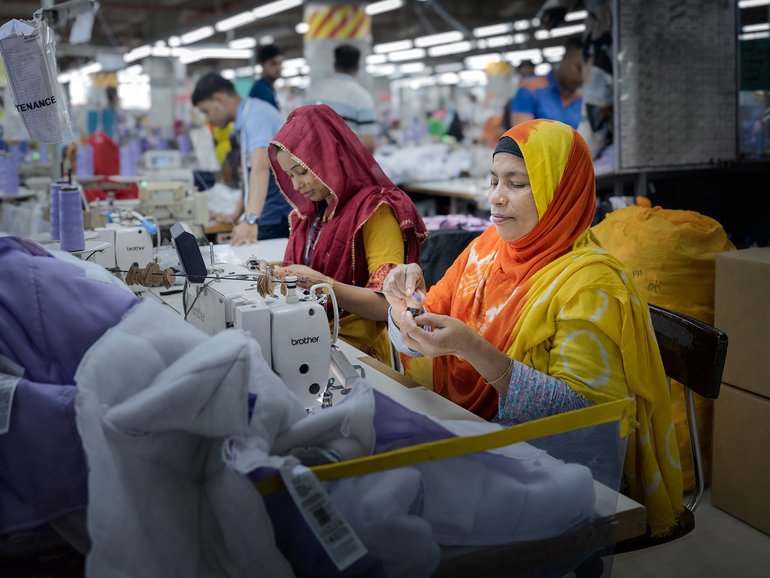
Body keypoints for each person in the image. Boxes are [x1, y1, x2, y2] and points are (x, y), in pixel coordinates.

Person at [382, 119, 683, 538]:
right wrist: (404, 307)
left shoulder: (588, 286)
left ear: (561, 192)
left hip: (559, 468)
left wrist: (474, 350)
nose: (496, 197)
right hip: (480, 433)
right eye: (492, 181)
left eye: (517, 183)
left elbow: (587, 421)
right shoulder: (488, 249)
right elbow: (423, 338)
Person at [267, 104, 427, 363]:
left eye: (303, 171)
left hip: (355, 354)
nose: (297, 185)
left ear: (329, 155)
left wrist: (323, 284)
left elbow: (387, 305)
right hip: (309, 338)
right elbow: (304, 268)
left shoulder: (375, 211)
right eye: (290, 176)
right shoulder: (311, 215)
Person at [192, 72, 291, 245]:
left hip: (276, 214)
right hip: (265, 211)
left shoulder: (256, 115)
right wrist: (236, 214)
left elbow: (261, 167)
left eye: (206, 111)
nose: (208, 119)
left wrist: (251, 220)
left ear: (219, 99)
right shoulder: (245, 118)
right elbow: (249, 173)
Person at [305, 44, 378, 154]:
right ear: (357, 68)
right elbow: (368, 144)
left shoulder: (313, 92)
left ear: (334, 66)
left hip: (312, 162)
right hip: (344, 165)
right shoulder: (362, 97)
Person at [508, 38, 584, 129]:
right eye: (579, 67)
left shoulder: (582, 97)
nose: (582, 76)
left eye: (589, 72)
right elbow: (522, 135)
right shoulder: (530, 87)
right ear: (565, 59)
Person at [248, 43, 283, 110]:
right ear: (262, 65)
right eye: (273, 63)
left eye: (280, 63)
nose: (278, 68)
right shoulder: (262, 90)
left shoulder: (267, 88)